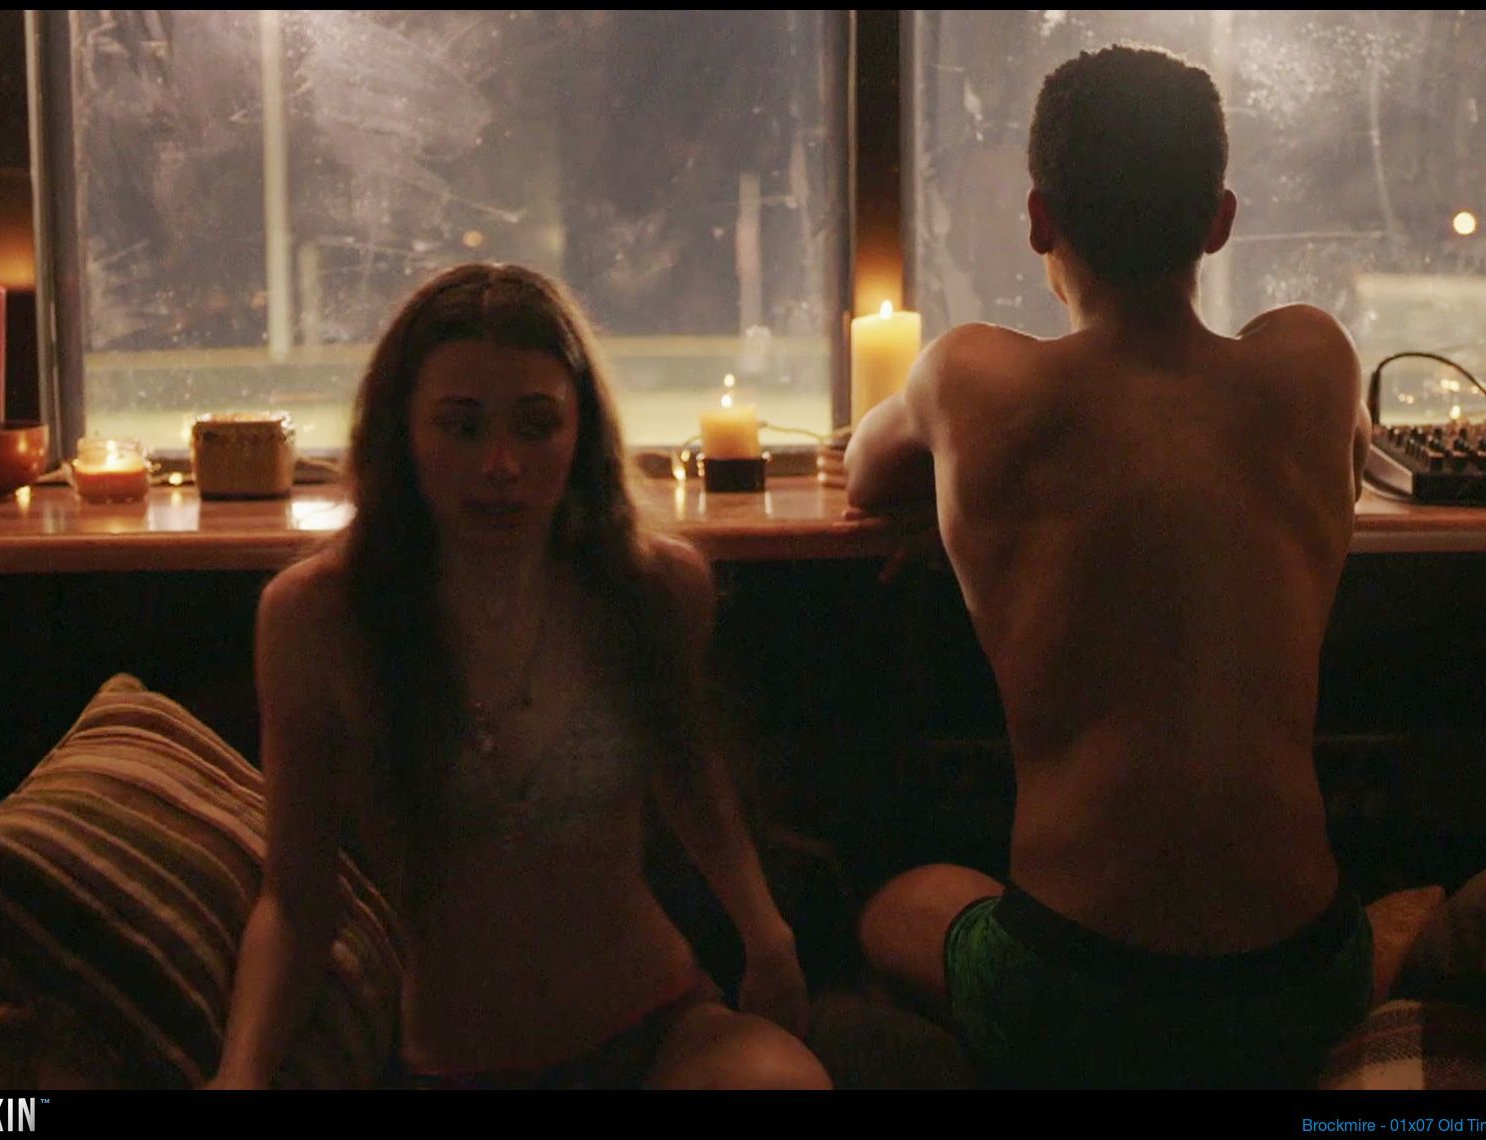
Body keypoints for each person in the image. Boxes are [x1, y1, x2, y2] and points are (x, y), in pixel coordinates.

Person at [845, 43, 1376, 1088]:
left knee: (895, 906)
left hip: (1074, 995)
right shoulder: (1314, 361)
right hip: (1304, 978)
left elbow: (866, 471)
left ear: (1039, 218)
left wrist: (957, 490)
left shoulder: (975, 380)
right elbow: (1345, 456)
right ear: (1219, 221)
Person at [208, 263, 829, 1090]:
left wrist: (767, 938)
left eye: (536, 426)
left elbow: (687, 769)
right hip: (455, 1064)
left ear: (581, 433)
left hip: (657, 1028)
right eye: (462, 427)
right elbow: (296, 904)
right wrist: (240, 1076)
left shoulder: (652, 588)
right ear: (403, 431)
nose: (501, 465)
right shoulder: (318, 619)